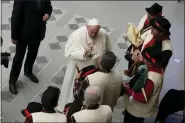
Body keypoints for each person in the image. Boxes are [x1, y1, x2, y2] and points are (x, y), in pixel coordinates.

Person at [57, 18, 112, 111]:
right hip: (78, 69)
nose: (94, 35)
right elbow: (69, 53)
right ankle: (68, 107)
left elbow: (107, 50)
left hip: (94, 68)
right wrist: (83, 53)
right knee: (73, 90)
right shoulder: (77, 35)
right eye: (91, 32)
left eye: (96, 32)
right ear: (86, 27)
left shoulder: (103, 33)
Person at [9, 0, 52, 94]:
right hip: (23, 35)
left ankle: (28, 71)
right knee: (18, 58)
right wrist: (14, 36)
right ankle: (12, 81)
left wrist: (48, 15)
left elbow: (49, 7)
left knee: (33, 53)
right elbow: (15, 17)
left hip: (37, 33)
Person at [122, 46, 164, 123]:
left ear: (149, 61)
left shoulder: (151, 79)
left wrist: (129, 91)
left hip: (137, 111)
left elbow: (143, 98)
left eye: (144, 58)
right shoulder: (158, 68)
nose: (142, 59)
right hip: (143, 109)